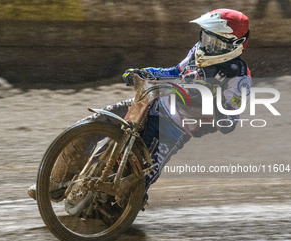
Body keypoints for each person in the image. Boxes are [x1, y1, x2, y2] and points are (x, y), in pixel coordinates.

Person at [28, 8, 252, 204]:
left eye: (213, 42)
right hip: (150, 103)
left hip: (173, 129)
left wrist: (204, 101)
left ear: (233, 45)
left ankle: (118, 214)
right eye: (205, 38)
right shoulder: (197, 50)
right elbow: (174, 71)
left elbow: (229, 121)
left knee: (134, 182)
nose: (206, 45)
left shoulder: (240, 77)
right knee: (90, 126)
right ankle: (54, 185)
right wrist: (144, 72)